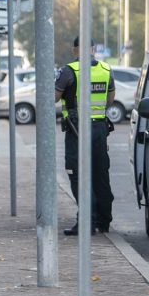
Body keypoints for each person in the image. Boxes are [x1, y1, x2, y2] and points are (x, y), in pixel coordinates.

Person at [54, 37, 115, 235]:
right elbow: (110, 98)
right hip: (99, 128)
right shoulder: (106, 70)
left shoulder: (69, 71)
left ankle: (87, 222)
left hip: (76, 129)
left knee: (78, 175)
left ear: (75, 50)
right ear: (93, 49)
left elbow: (53, 97)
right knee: (100, 174)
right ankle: (104, 221)